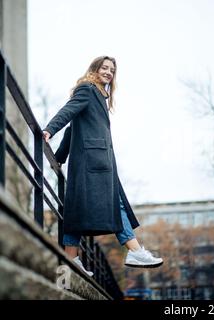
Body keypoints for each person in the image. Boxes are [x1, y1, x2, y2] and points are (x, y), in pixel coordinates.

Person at [43, 56, 163, 275]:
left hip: (95, 163)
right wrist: (50, 129)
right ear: (95, 69)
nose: (108, 72)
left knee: (76, 208)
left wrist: (59, 157)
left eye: (112, 70)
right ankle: (135, 250)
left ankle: (70, 261)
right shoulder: (87, 89)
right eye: (104, 68)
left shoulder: (99, 96)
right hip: (94, 162)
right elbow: (68, 112)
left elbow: (73, 128)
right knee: (115, 203)